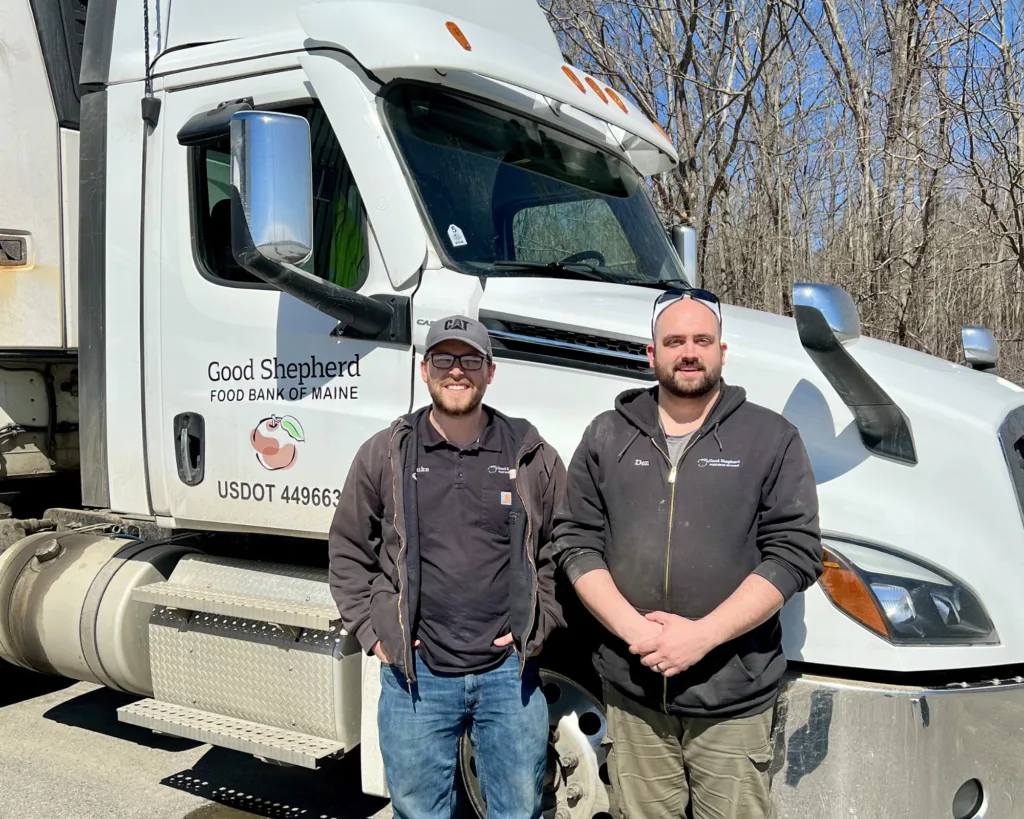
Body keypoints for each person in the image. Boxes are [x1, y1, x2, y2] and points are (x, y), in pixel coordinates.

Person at [552, 288, 824, 819]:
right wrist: (637, 632)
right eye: (674, 341)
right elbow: (575, 541)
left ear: (723, 350)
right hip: (633, 693)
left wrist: (701, 637)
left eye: (702, 339)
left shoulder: (770, 438)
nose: (689, 351)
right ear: (651, 354)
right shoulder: (607, 436)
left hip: (731, 699)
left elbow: (794, 553)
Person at [327, 314, 566, 819]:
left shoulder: (531, 453)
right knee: (419, 812)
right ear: (424, 370)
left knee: (519, 810)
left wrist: (540, 622)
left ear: (490, 371)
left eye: (470, 360)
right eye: (443, 359)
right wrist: (376, 632)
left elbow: (560, 548)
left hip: (509, 676)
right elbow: (349, 548)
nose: (456, 371)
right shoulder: (386, 453)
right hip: (417, 676)